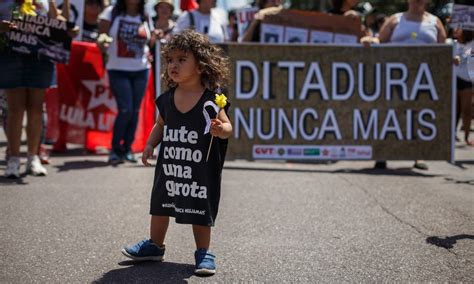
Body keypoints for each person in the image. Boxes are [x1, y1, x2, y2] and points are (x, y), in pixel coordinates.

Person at [121, 30, 232, 276]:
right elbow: (161, 124)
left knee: (199, 210)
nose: (173, 65)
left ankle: (204, 252)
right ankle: (154, 245)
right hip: (170, 168)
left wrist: (220, 128)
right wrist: (150, 144)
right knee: (160, 206)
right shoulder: (168, 98)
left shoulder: (212, 100)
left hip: (199, 172)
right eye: (170, 59)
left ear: (201, 65)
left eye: (182, 59)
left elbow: (228, 128)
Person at [361, 0, 447, 170]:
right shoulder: (395, 19)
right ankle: (382, 154)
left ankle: (418, 155)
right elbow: (380, 40)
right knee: (389, 115)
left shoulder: (435, 22)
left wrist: (452, 58)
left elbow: (443, 50)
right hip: (395, 78)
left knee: (419, 116)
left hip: (423, 81)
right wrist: (370, 40)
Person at [0, 0, 61, 178]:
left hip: (39, 58)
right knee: (15, 110)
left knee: (35, 109)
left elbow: (56, 21)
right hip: (11, 55)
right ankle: (13, 159)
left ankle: (32, 158)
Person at [97, 0, 155, 164]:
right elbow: (101, 39)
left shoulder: (145, 15)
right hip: (117, 69)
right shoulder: (111, 12)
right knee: (125, 109)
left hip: (141, 69)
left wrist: (155, 38)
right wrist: (102, 43)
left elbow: (148, 42)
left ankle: (127, 148)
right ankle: (115, 149)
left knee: (135, 110)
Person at [452, 27, 474, 146]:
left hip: (466, 80)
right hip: (453, 79)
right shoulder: (451, 44)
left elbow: (472, 65)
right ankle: (452, 133)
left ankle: (466, 136)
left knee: (466, 110)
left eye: (459, 29)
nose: (456, 31)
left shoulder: (472, 44)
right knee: (454, 109)